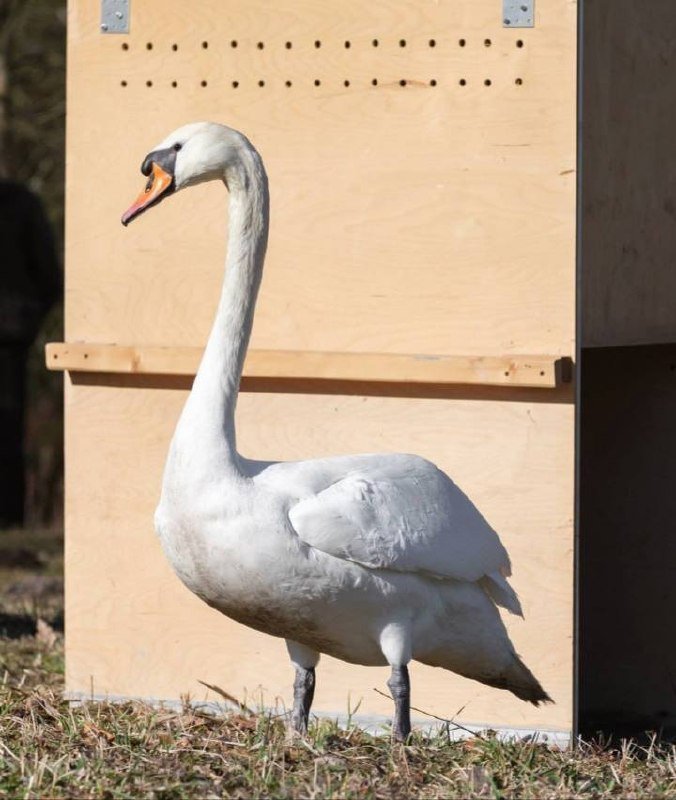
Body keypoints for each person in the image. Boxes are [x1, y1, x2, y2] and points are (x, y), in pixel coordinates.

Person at [0, 181, 60, 527]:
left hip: (9, 341)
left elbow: (49, 278)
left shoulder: (21, 204)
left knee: (8, 429)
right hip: (13, 331)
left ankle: (9, 520)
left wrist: (24, 323)